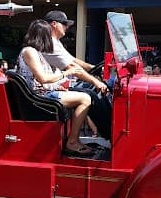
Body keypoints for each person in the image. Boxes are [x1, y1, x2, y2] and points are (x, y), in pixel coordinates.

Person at [17, 20, 102, 156]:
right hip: (39, 97)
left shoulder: (35, 52)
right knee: (85, 98)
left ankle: (73, 138)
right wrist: (66, 73)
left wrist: (58, 86)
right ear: (43, 36)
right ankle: (72, 142)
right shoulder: (30, 52)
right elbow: (43, 78)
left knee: (81, 94)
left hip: (42, 93)